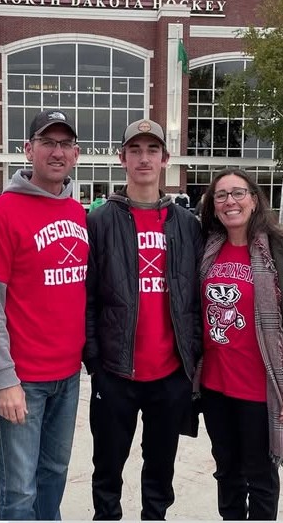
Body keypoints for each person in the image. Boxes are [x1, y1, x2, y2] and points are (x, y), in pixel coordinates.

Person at [84, 118, 204, 520]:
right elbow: (86, 295)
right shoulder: (99, 221)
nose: (143, 158)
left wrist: (194, 360)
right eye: (135, 150)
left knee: (160, 468)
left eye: (152, 150)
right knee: (107, 468)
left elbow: (199, 298)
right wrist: (96, 361)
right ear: (122, 158)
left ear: (166, 159)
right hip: (116, 373)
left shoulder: (188, 225)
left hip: (170, 375)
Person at [0, 109, 89, 520]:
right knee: (18, 487)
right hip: (23, 379)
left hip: (68, 376)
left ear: (75, 154)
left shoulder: (78, 213)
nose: (57, 152)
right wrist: (4, 380)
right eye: (47, 143)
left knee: (54, 473)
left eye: (65, 145)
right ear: (28, 150)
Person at [198, 168, 283, 520]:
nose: (229, 201)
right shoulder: (206, 248)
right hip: (215, 387)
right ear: (213, 205)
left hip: (262, 390)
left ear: (253, 198)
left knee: (261, 478)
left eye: (238, 193)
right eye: (221, 195)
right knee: (227, 474)